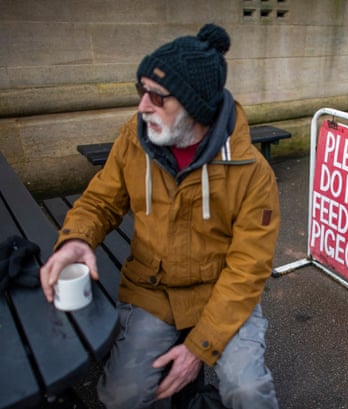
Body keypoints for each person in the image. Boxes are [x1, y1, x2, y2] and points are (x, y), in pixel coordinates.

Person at [40, 23, 280, 409]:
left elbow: (249, 268)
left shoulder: (251, 171)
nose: (142, 106)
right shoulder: (134, 140)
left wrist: (198, 350)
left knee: (248, 391)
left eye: (157, 96)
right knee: (123, 395)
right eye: (141, 91)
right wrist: (75, 241)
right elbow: (100, 201)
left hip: (221, 292)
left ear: (196, 107)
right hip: (152, 292)